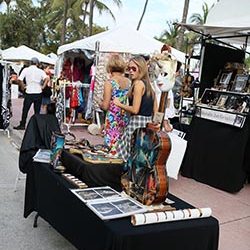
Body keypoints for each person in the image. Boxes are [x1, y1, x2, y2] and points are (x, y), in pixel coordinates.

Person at [114, 56, 157, 162]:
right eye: (129, 69)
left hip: (136, 124)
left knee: (125, 155)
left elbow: (135, 110)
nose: (130, 71)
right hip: (147, 124)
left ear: (141, 69)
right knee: (140, 158)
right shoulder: (150, 86)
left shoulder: (138, 84)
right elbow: (155, 110)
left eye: (134, 68)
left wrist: (118, 104)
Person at [99, 54, 130, 156]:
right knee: (122, 145)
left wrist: (100, 104)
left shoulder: (110, 82)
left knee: (110, 148)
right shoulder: (129, 82)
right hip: (125, 117)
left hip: (113, 119)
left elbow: (105, 105)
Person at [14, 57, 49, 130]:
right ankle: (36, 126)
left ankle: (23, 124)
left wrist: (23, 86)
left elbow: (20, 79)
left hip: (29, 91)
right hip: (38, 91)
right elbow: (47, 78)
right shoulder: (40, 71)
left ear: (30, 63)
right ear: (37, 63)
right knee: (37, 110)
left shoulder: (26, 70)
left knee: (25, 110)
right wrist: (43, 86)